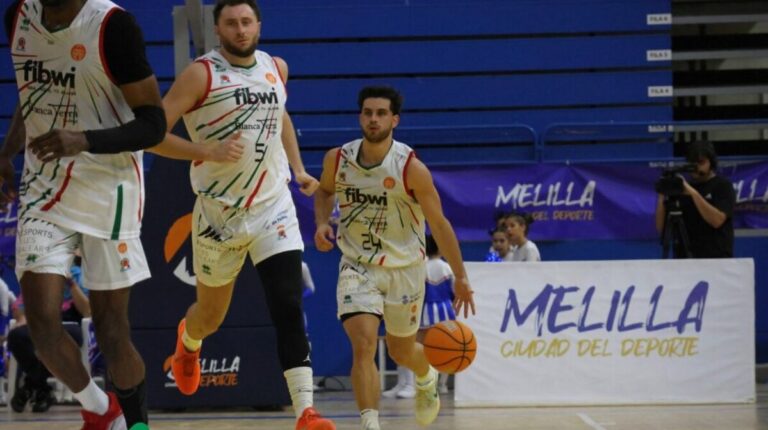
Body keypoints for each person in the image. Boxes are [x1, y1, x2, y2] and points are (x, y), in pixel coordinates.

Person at [148, 1, 334, 429]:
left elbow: (279, 115)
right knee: (210, 317)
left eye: (246, 21)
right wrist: (206, 151)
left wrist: (298, 168)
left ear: (259, 26)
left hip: (273, 207)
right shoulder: (200, 74)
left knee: (288, 304)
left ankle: (305, 412)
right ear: (218, 30)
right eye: (231, 23)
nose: (240, 29)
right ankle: (188, 340)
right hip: (219, 215)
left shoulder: (276, 67)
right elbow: (153, 134)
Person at [0, 0, 166, 428]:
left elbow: (153, 124)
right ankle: (99, 408)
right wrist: (6, 152)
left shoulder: (113, 26)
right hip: (44, 188)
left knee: (111, 331)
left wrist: (85, 139)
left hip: (109, 191)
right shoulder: (18, 17)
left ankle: (138, 424)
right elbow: (31, 93)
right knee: (41, 324)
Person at [314, 86, 476, 430]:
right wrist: (322, 223)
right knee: (363, 344)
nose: (373, 119)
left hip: (405, 268)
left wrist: (461, 277)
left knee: (401, 351)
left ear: (394, 120)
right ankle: (370, 424)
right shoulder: (337, 159)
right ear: (360, 116)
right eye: (368, 112)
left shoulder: (411, 168)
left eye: (381, 113)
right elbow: (325, 191)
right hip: (357, 265)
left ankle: (425, 373)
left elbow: (440, 224)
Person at [9, 263, 90, 413]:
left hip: (68, 324)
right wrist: (21, 317)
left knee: (60, 337)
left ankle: (30, 385)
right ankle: (42, 388)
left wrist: (71, 283)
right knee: (16, 335)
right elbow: (19, 306)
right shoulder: (37, 273)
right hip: (40, 324)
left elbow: (87, 311)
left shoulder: (79, 275)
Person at [385, 235, 456, 399]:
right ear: (441, 248)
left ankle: (410, 384)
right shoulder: (448, 267)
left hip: (424, 311)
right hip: (446, 311)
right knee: (446, 349)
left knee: (410, 346)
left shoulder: (421, 267)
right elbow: (454, 291)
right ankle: (441, 385)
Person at [655, 141, 735, 258]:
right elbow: (660, 228)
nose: (696, 167)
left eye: (701, 162)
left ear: (711, 162)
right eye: (693, 163)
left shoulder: (722, 185)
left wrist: (692, 193)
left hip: (716, 258)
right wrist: (662, 194)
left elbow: (717, 221)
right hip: (686, 259)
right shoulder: (682, 188)